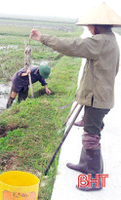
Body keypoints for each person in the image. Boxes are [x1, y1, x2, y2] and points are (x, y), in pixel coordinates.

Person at [30, 2, 121, 191]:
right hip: (98, 97)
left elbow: (72, 45)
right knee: (90, 131)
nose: (88, 28)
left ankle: (95, 180)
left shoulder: (100, 41)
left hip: (97, 100)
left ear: (98, 25)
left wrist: (43, 38)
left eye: (89, 25)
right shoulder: (110, 40)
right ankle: (85, 165)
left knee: (91, 136)